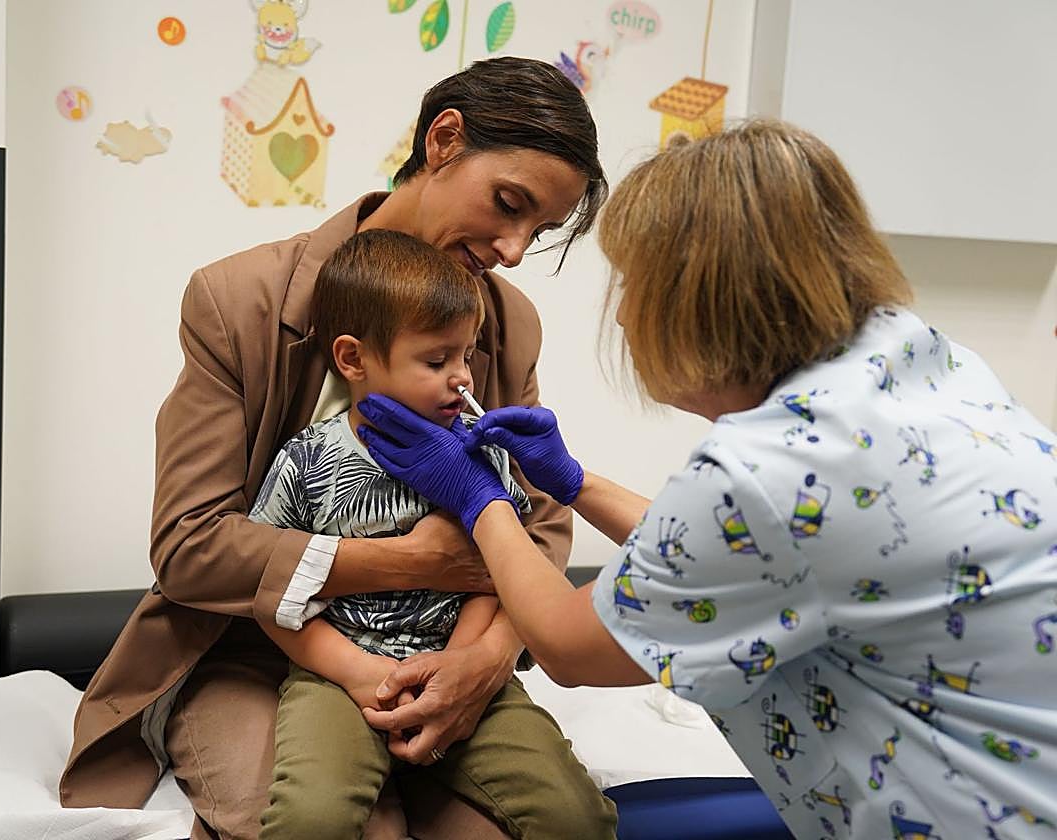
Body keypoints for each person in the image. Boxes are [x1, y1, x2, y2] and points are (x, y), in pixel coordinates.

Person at [357, 119, 1057, 839]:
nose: (624, 314)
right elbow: (761, 553)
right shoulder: (920, 361)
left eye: (632, 285)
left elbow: (567, 646)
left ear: (695, 295)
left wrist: (480, 499)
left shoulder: (769, 470)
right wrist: (573, 482)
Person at [58, 55, 608, 840]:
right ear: (444, 140)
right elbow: (192, 548)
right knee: (345, 827)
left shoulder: (503, 321)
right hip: (255, 653)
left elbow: (543, 525)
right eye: (508, 205)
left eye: (540, 230)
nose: (515, 249)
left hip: (439, 647)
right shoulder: (238, 301)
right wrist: (416, 563)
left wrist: (481, 662)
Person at [249, 229, 616, 838]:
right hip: (339, 679)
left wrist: (461, 663)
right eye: (436, 360)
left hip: (465, 672)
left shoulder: (483, 458)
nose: (463, 379)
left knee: (573, 816)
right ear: (353, 359)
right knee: (310, 818)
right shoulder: (307, 460)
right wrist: (357, 672)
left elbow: (502, 579)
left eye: (466, 356)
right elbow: (275, 597)